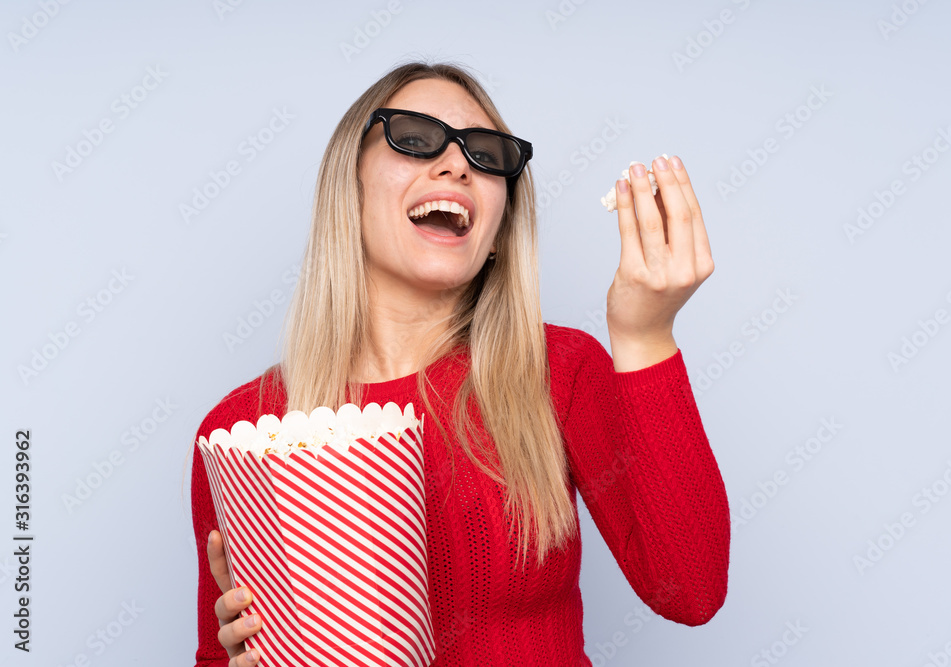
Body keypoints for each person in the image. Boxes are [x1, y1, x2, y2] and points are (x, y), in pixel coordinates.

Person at [189, 60, 730, 667]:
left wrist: (645, 335)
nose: (457, 164)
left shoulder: (560, 373)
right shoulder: (246, 431)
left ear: (498, 229)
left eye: (487, 154)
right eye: (414, 139)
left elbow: (692, 590)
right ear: (350, 190)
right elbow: (223, 651)